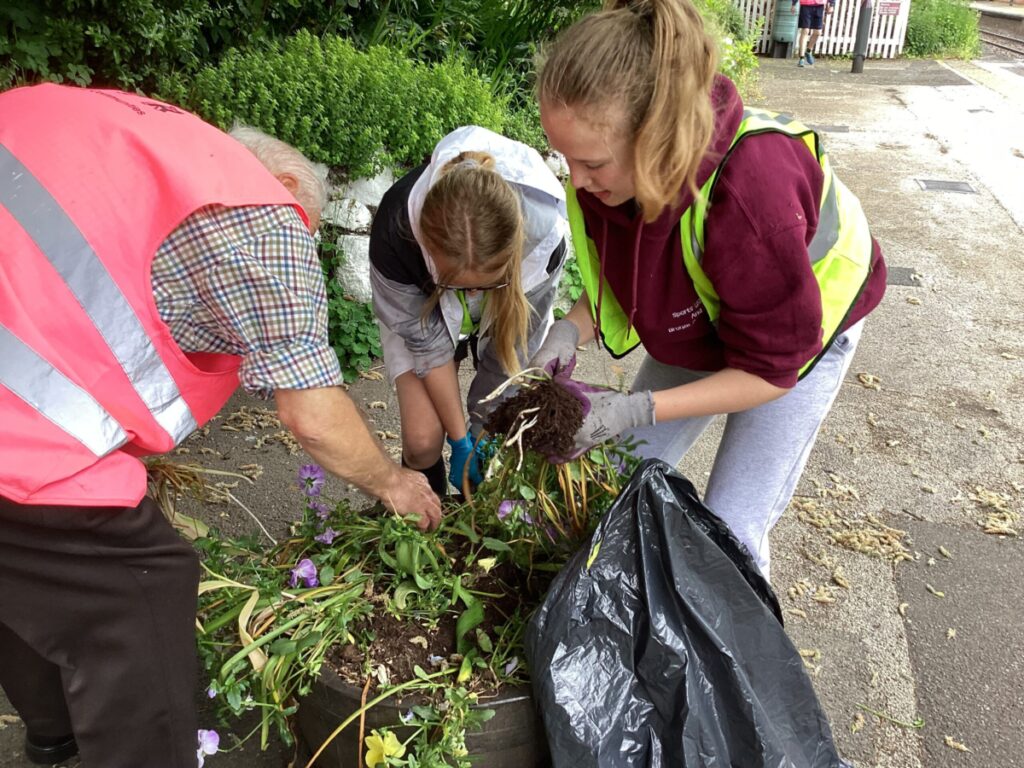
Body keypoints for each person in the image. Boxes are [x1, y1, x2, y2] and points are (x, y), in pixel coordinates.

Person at [0, 84, 439, 767]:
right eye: (311, 228)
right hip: (18, 426)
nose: (304, 241)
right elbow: (313, 414)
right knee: (140, 587)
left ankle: (54, 734)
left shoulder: (155, 143)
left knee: (37, 564)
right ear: (290, 184)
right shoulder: (259, 210)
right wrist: (392, 482)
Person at [531, 0, 887, 579]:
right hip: (707, 312)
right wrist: (569, 329)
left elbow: (770, 371)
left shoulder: (753, 193)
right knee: (618, 474)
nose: (577, 179)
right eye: (565, 157)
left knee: (731, 532)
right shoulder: (606, 178)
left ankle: (742, 666)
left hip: (798, 335)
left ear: (655, 137)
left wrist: (637, 407)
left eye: (591, 162)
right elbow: (628, 275)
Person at [370, 125, 568, 497]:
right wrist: (459, 441)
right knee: (423, 439)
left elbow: (516, 346)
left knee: (489, 432)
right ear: (429, 250)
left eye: (485, 284)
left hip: (510, 297)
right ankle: (421, 525)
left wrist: (481, 430)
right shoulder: (396, 234)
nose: (474, 294)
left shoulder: (544, 237)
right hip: (421, 308)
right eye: (460, 285)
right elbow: (428, 347)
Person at [792, 0, 835, 67]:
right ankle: (802, 58)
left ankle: (808, 51)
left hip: (819, 6)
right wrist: (793, 4)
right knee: (805, 30)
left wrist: (831, 4)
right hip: (806, 5)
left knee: (818, 32)